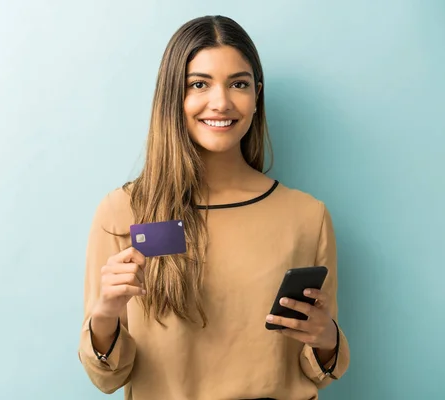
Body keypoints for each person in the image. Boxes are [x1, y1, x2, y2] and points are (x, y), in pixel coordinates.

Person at [77, 15, 350, 400]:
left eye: (238, 84)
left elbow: (318, 370)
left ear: (257, 95)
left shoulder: (307, 216)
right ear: (174, 97)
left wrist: (326, 337)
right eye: (199, 84)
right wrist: (104, 314)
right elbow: (107, 377)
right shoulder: (124, 211)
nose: (220, 102)